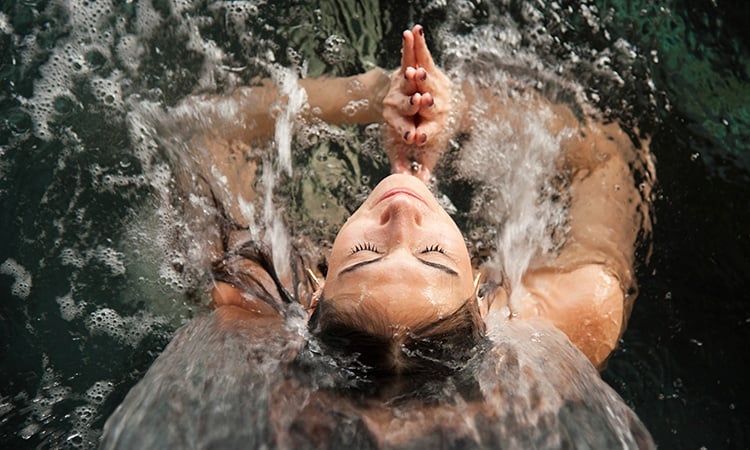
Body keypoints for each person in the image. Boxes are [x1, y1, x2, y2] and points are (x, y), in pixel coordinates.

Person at [102, 25, 655, 449]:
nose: (402, 219)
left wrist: (364, 97)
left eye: (365, 255)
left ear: (311, 299)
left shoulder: (258, 308)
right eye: (434, 255)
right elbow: (602, 153)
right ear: (483, 305)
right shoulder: (575, 313)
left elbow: (203, 130)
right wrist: (458, 108)